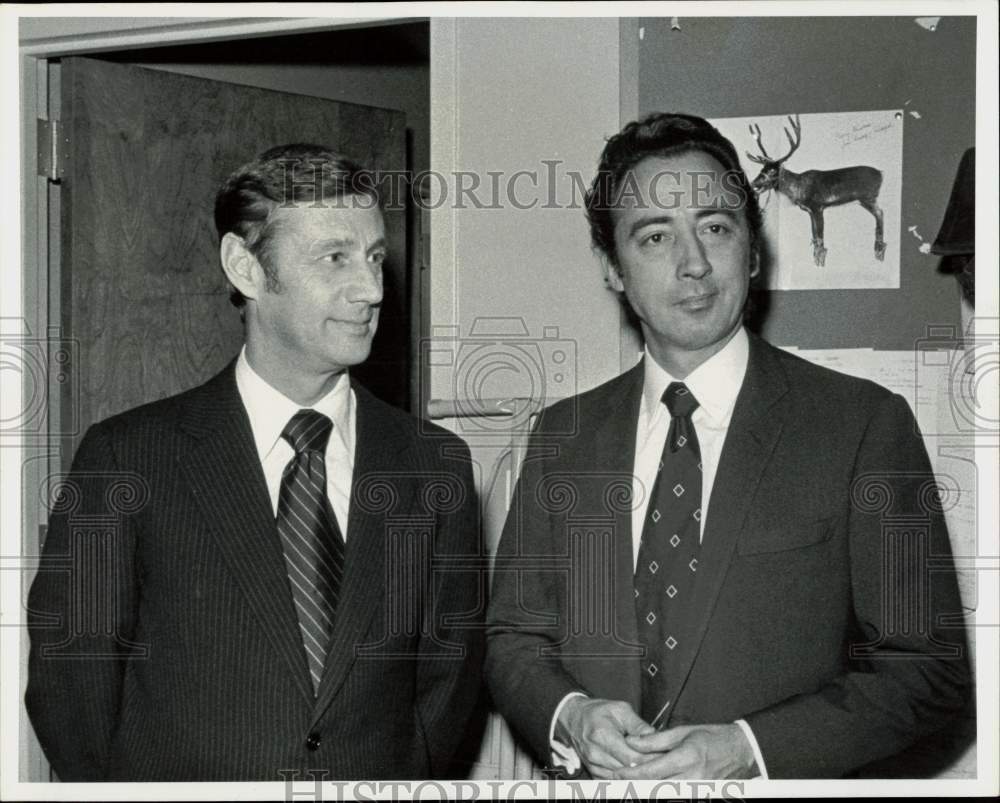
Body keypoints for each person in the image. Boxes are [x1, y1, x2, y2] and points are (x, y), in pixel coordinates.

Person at [485, 114, 972, 779]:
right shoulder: (561, 436)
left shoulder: (863, 424)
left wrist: (749, 747)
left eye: (715, 227)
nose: (694, 264)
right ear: (612, 269)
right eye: (655, 236)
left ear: (753, 249)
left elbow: (928, 671)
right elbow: (514, 638)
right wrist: (569, 713)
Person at [26, 144, 484, 781]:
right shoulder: (127, 458)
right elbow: (71, 683)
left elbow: (448, 679)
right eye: (335, 258)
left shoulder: (435, 466)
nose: (371, 289)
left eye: (376, 257)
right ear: (245, 267)